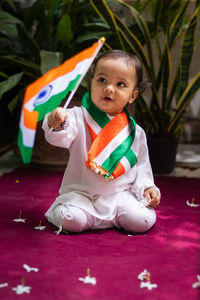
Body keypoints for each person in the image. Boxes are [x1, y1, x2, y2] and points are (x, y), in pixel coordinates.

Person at [42, 49, 161, 234]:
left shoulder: (135, 132)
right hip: (82, 195)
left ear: (133, 95)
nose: (109, 88)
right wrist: (56, 122)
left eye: (120, 84)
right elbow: (58, 137)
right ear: (92, 82)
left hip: (120, 196)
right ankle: (81, 216)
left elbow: (142, 167)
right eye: (102, 80)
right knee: (71, 219)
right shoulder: (76, 117)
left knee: (142, 219)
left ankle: (111, 216)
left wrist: (146, 188)